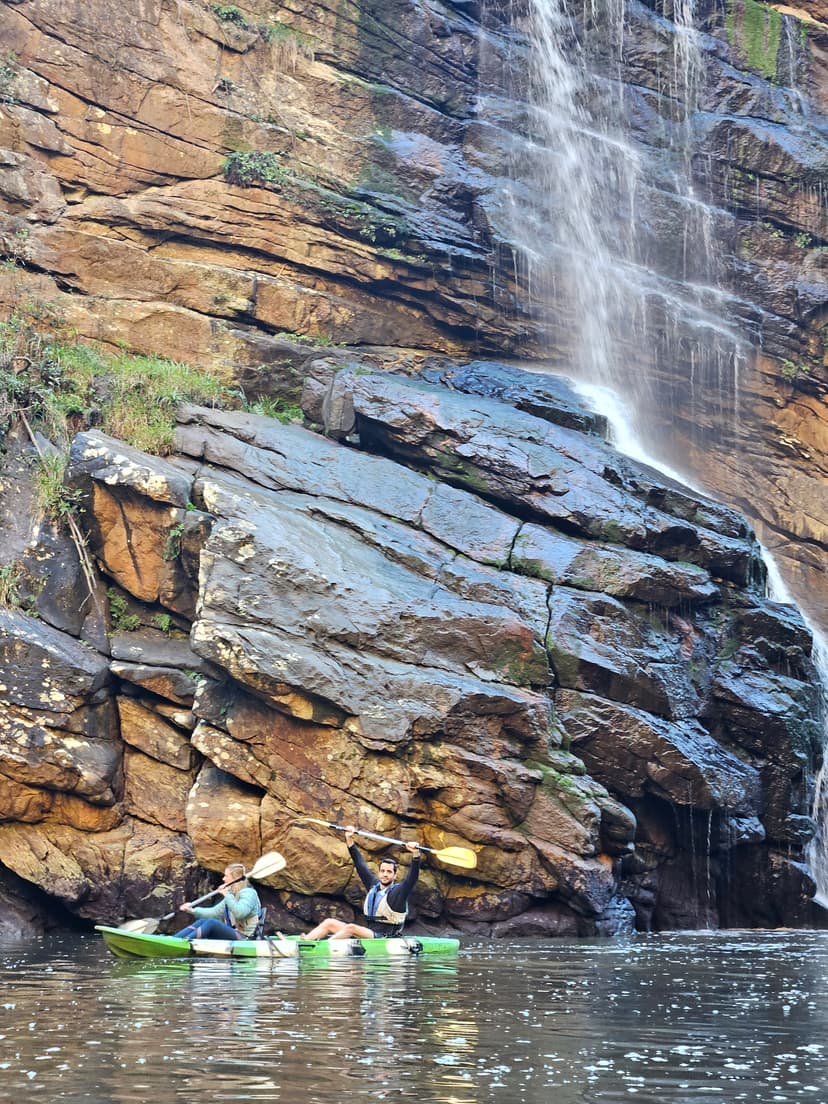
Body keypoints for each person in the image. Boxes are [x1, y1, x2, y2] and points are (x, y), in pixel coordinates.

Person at [303, 826, 421, 940]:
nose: (385, 874)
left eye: (389, 872)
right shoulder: (373, 886)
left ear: (394, 875)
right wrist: (349, 839)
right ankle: (304, 941)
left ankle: (325, 948)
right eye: (383, 871)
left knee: (351, 928)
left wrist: (415, 854)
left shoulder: (398, 892)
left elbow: (412, 879)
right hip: (369, 933)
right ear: (379, 872)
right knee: (329, 923)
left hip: (385, 937)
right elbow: (360, 864)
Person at [173, 862, 261, 940]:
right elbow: (214, 912)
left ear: (235, 878)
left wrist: (227, 895)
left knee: (212, 923)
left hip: (247, 937)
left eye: (226, 876)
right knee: (203, 921)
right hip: (237, 933)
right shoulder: (233, 894)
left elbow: (240, 913)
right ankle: (175, 939)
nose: (223, 879)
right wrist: (192, 910)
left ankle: (186, 942)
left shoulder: (249, 893)